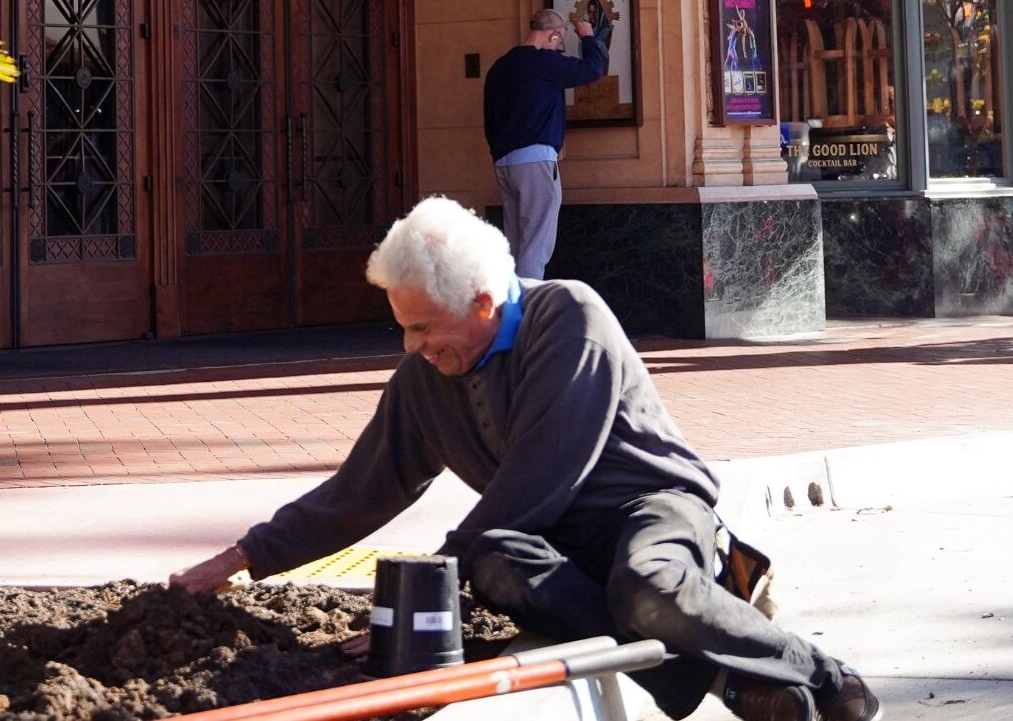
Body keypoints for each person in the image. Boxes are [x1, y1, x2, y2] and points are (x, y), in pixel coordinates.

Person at [171, 198, 881, 721]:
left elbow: (544, 472)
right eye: (403, 327)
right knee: (497, 560)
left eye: (423, 326)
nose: (412, 345)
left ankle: (823, 674)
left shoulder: (569, 314)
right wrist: (245, 554)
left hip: (648, 508)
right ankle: (719, 677)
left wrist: (426, 590)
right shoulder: (425, 371)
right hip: (549, 538)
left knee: (648, 584)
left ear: (482, 302)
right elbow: (365, 485)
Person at [482, 5, 611, 277]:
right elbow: (592, 69)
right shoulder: (544, 62)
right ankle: (530, 311)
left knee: (515, 245)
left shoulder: (499, 67)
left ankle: (512, 312)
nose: (560, 46)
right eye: (561, 40)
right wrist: (588, 37)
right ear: (553, 36)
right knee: (536, 245)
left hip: (504, 163)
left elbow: (489, 116)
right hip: (536, 164)